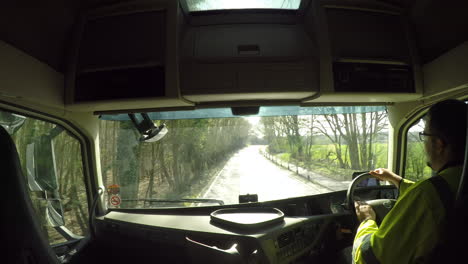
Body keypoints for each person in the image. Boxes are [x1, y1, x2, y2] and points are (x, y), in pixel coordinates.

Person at [352, 99, 467, 264]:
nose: (424, 143)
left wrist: (366, 221)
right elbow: (443, 196)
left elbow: (371, 257)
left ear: (438, 144)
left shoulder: (426, 195)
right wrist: (395, 179)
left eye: (425, 136)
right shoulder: (454, 183)